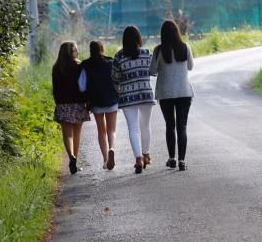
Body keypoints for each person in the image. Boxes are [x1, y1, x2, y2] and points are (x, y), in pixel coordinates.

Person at [150, 19, 195, 171]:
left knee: (170, 125)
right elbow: (190, 66)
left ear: (162, 34)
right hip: (184, 92)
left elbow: (152, 71)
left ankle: (172, 158)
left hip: (166, 93)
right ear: (177, 32)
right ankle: (182, 160)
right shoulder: (185, 47)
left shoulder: (158, 50)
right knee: (182, 126)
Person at [111, 25, 154, 174]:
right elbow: (153, 70)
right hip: (146, 94)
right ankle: (146, 155)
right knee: (145, 126)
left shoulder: (119, 56)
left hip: (128, 96)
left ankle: (138, 159)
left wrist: (120, 90)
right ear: (138, 38)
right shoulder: (146, 53)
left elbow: (115, 77)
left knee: (133, 128)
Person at [79, 41, 119, 170]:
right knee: (111, 130)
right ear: (102, 49)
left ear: (90, 50)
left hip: (96, 102)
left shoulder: (85, 65)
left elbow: (81, 85)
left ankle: (106, 159)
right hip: (111, 99)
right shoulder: (110, 62)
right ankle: (111, 148)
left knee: (101, 131)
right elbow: (116, 79)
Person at [51, 41, 90, 174]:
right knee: (77, 134)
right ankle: (75, 159)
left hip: (63, 104)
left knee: (67, 135)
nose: (77, 52)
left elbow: (55, 89)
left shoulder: (56, 68)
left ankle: (71, 157)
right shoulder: (79, 66)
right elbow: (84, 85)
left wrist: (58, 104)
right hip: (78, 104)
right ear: (70, 53)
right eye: (75, 50)